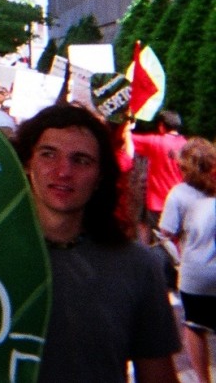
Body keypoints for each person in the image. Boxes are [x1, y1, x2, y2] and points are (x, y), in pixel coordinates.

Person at [13, 104, 180, 382]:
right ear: (28, 162)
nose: (63, 171)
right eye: (48, 155)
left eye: (81, 160)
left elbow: (158, 375)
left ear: (100, 175)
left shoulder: (138, 267)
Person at [159, 137, 216, 383]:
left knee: (194, 326)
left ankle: (204, 380)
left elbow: (166, 233)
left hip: (195, 273)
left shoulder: (178, 195)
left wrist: (178, 253)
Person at [132, 110, 187, 241]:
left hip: (157, 203)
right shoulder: (187, 145)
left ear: (161, 125)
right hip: (180, 202)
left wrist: (128, 124)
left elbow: (128, 139)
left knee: (157, 241)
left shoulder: (155, 142)